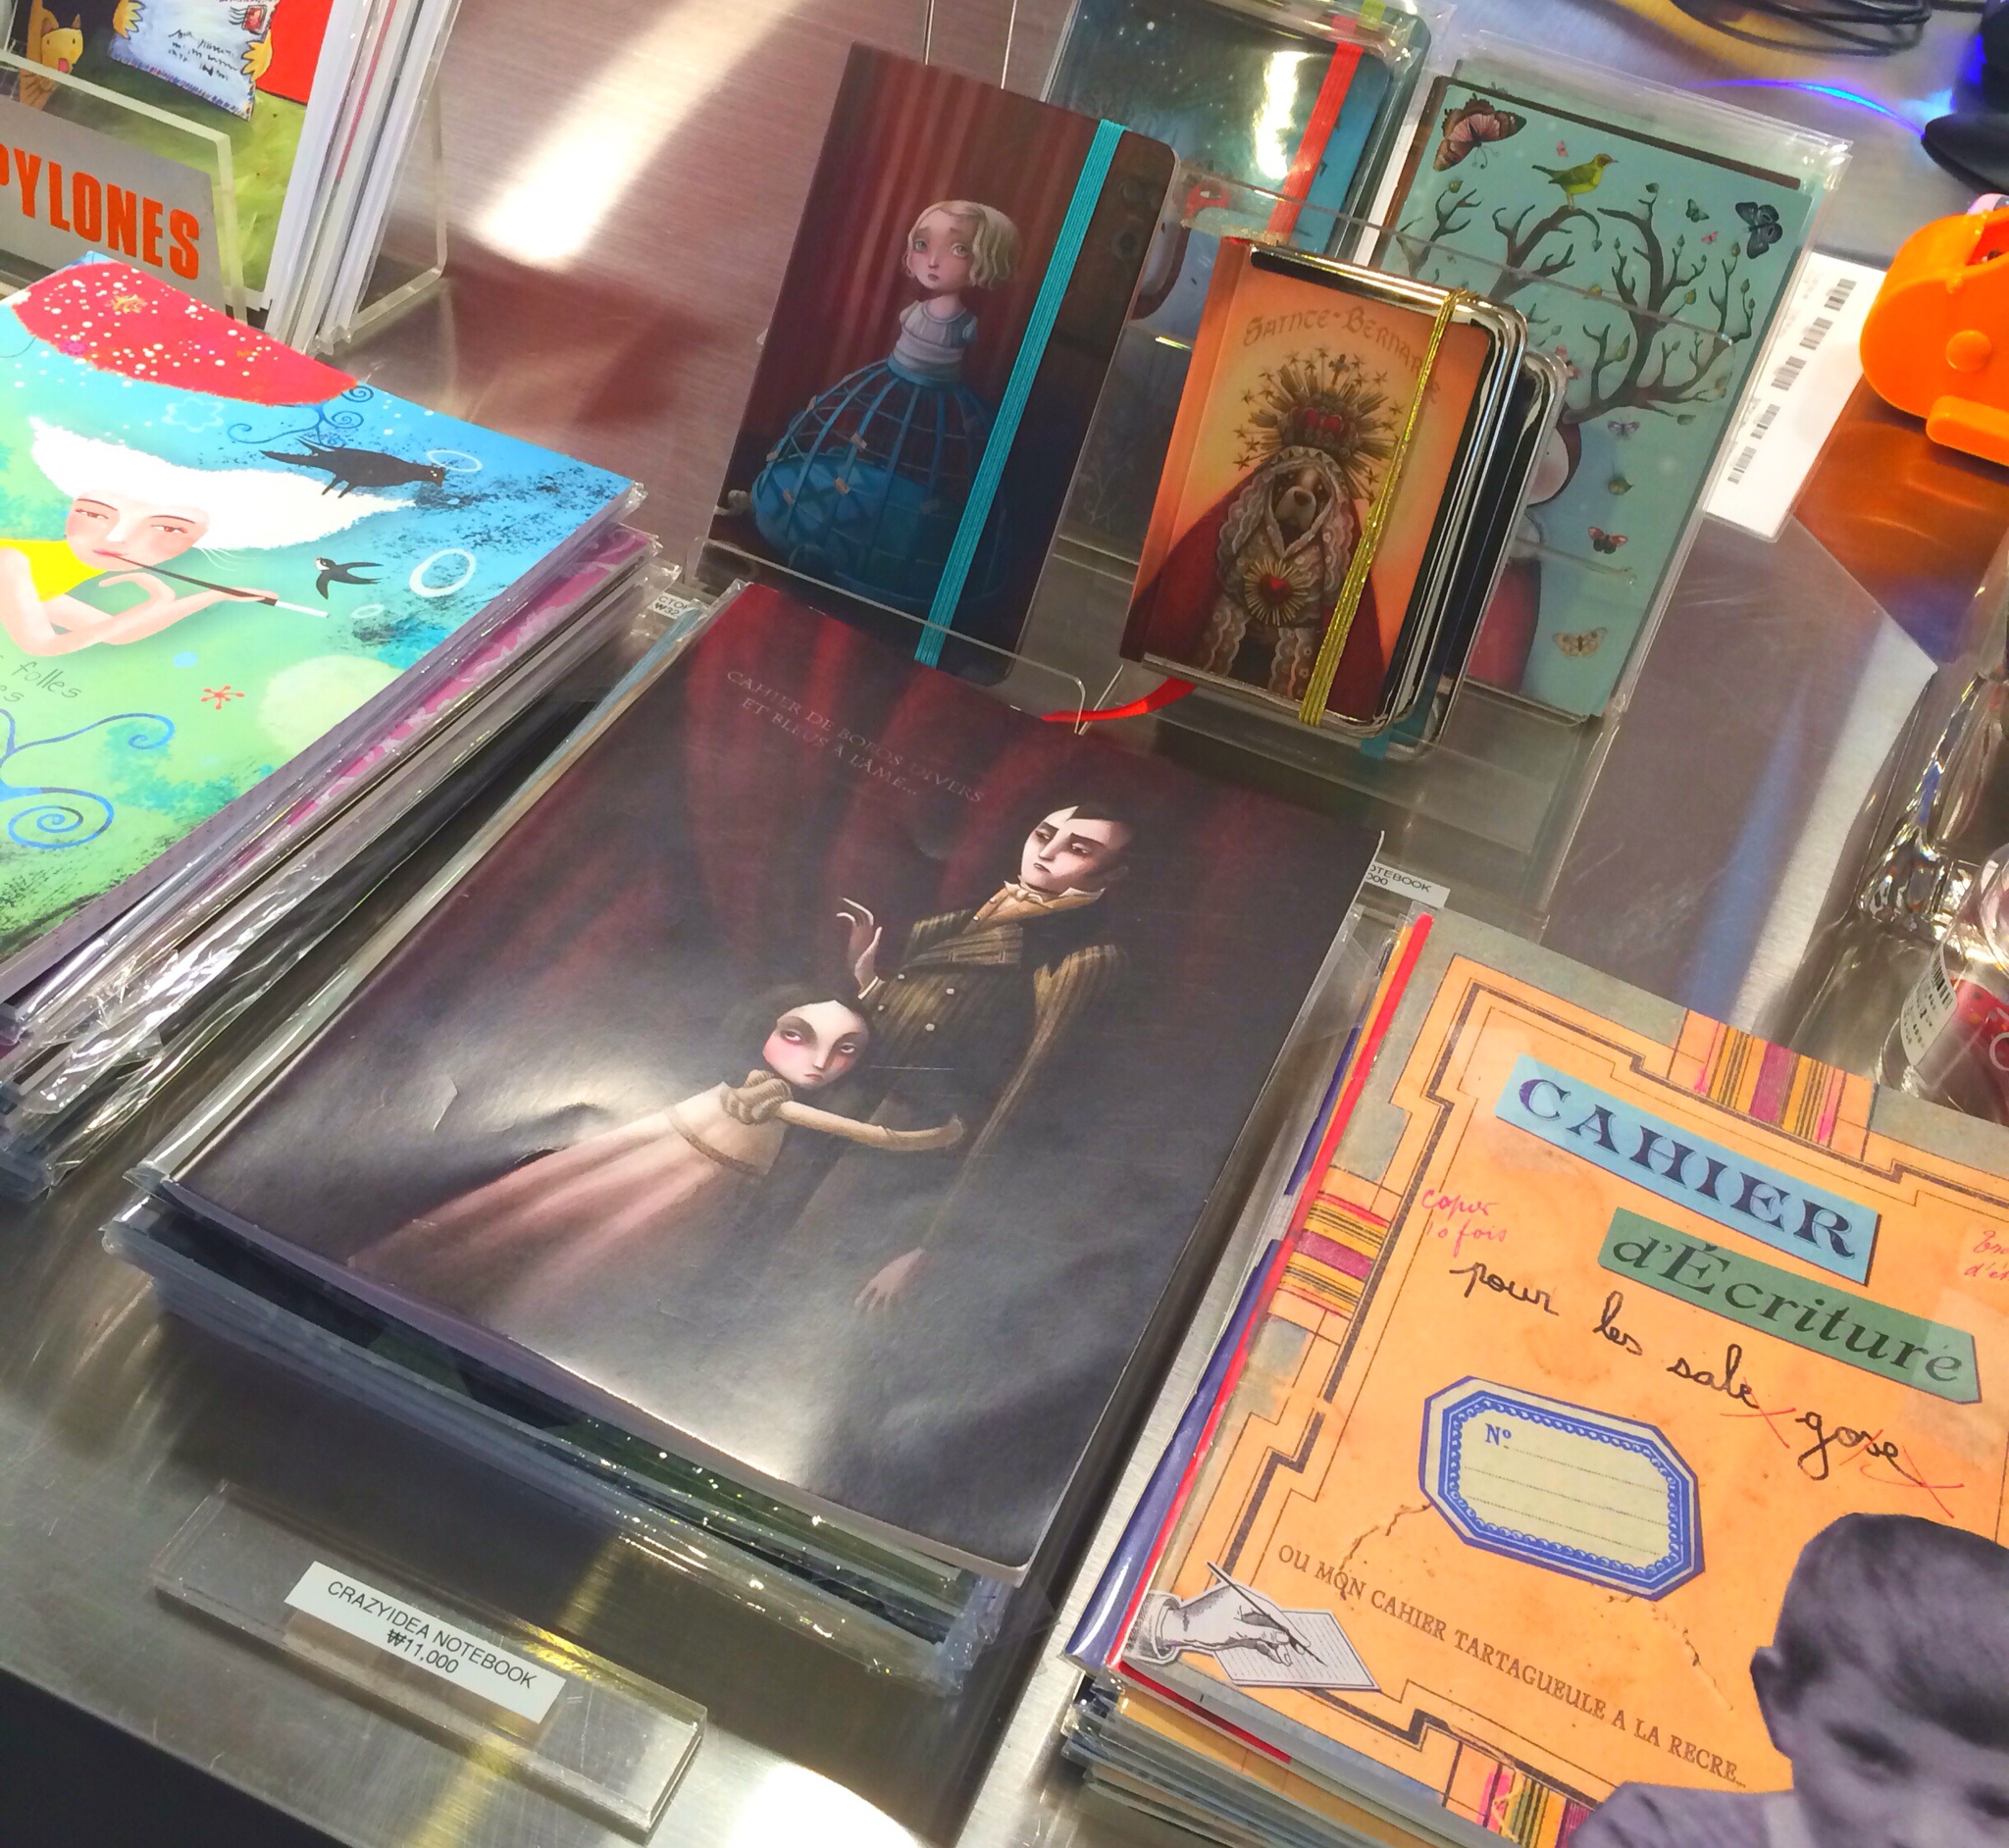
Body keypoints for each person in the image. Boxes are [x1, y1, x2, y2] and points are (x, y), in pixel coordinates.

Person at [347, 992, 961, 1321]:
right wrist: (930, 1136)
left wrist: (936, 1137)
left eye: (846, 1050)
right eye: (798, 1036)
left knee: (598, 1261)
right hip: (636, 1160)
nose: (820, 1062)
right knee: (537, 1213)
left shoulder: (777, 1110)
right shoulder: (745, 1092)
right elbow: (875, 1135)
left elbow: (867, 1133)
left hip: (693, 1202)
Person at [832, 799, 1134, 1307]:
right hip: (850, 1118)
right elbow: (915, 1025)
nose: (1046, 854)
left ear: (1112, 874)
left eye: (1078, 849)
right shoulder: (959, 922)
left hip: (920, 1162)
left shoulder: (1085, 958)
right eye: (1044, 834)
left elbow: (1024, 1100)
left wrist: (932, 1242)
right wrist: (866, 982)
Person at [1580, 1514, 2009, 1848]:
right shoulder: (1657, 1835)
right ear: (1783, 1701)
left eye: (1996, 1808)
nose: (1921, 1836)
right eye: (1873, 1760)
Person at [748, 199, 1021, 613]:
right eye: (923, 244)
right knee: (873, 442)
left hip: (938, 392)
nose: (933, 261)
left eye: (958, 249)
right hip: (891, 378)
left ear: (983, 260)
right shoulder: (918, 309)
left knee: (915, 455)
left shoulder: (963, 322)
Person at [0, 418, 394, 655]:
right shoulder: (12, 562)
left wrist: (209, 596)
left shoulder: (40, 575)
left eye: (167, 528)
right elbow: (42, 644)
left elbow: (117, 634)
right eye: (93, 513)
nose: (117, 535)